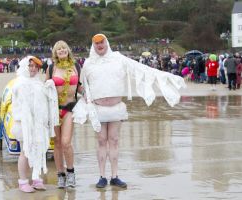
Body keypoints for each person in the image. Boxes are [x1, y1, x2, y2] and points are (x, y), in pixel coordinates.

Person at [73, 34, 186, 188]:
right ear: (93, 45)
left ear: (106, 43)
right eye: (96, 43)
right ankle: (101, 176)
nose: (100, 46)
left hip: (116, 109)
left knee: (114, 140)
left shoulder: (119, 58)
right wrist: (86, 97)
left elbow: (141, 69)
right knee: (101, 141)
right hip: (98, 110)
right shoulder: (88, 63)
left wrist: (165, 76)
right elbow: (80, 84)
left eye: (102, 42)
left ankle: (115, 176)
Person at [11, 55, 59, 193]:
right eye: (30, 66)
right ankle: (23, 181)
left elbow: (43, 103)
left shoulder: (38, 83)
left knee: (38, 150)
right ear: (25, 66)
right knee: (25, 151)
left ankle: (36, 178)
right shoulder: (20, 83)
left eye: (36, 67)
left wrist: (49, 89)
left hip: (38, 124)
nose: (33, 69)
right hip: (24, 124)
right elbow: (24, 103)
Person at [45, 40, 82, 188]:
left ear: (68, 50)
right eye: (58, 49)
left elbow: (79, 87)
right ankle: (60, 174)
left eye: (64, 48)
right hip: (54, 109)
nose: (62, 50)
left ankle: (71, 172)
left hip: (70, 108)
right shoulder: (51, 68)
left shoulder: (76, 66)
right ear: (55, 52)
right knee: (57, 143)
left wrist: (89, 94)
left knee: (66, 142)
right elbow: (45, 88)